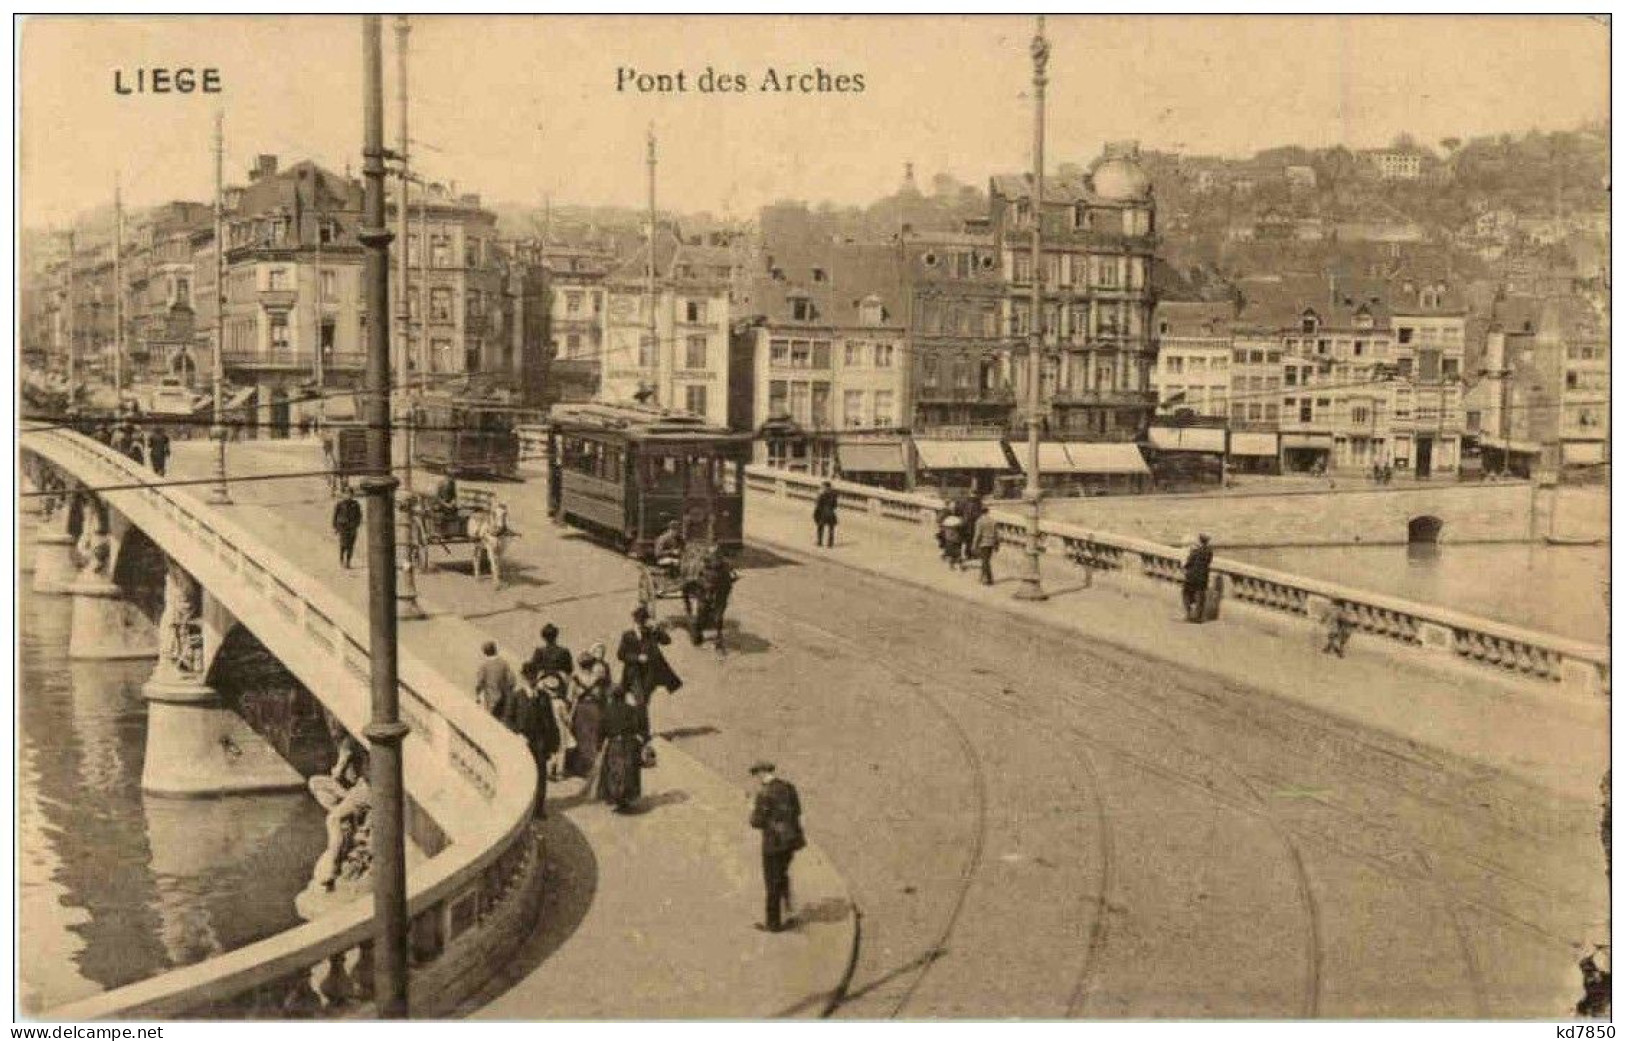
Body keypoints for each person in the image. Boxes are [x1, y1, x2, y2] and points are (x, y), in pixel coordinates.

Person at [617, 605, 683, 760]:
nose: (640, 625)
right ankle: (644, 734)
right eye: (639, 622)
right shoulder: (628, 635)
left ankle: (638, 731)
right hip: (633, 675)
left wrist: (656, 629)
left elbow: (667, 641)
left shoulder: (651, 633)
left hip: (650, 675)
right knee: (640, 702)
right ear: (634, 621)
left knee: (643, 703)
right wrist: (636, 658)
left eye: (643, 621)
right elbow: (621, 655)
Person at [748, 761, 805, 933]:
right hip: (790, 841)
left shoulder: (764, 794)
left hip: (773, 844)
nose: (756, 778)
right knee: (782, 876)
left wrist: (751, 808)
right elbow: (797, 810)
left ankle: (773, 923)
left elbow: (756, 822)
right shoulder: (788, 787)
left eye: (756, 774)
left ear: (761, 773)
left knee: (772, 882)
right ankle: (789, 912)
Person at [506, 672, 562, 818]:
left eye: (534, 678)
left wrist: (554, 743)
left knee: (541, 775)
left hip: (540, 742)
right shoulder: (516, 696)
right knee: (522, 776)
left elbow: (550, 720)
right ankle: (521, 808)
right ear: (524, 679)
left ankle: (538, 808)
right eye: (529, 678)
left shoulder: (543, 697)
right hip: (523, 743)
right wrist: (518, 734)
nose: (532, 681)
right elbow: (508, 720)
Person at [596, 687, 645, 812]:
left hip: (614, 744)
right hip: (629, 743)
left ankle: (616, 798)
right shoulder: (630, 710)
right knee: (630, 771)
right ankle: (627, 799)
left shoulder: (607, 711)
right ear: (623, 697)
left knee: (615, 771)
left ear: (612, 697)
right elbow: (637, 726)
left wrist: (599, 744)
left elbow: (602, 729)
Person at [567, 644, 611, 777]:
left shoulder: (575, 679)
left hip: (581, 709)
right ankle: (593, 768)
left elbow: (569, 697)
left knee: (581, 737)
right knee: (593, 737)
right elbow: (602, 695)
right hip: (594, 708)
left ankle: (582, 768)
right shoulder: (597, 679)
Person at [693, 546, 739, 647]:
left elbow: (732, 576)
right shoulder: (702, 565)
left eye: (716, 557)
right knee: (702, 610)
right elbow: (697, 578)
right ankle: (698, 631)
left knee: (718, 613)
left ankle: (718, 635)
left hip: (720, 590)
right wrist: (704, 587)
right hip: (705, 590)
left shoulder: (725, 567)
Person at [522, 623, 574, 689]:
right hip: (559, 681)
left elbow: (533, 669)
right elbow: (569, 671)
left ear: (544, 638)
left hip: (544, 681)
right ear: (556, 636)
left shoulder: (539, 651)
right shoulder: (564, 651)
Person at [474, 641, 517, 718]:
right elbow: (512, 680)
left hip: (490, 700)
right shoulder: (504, 663)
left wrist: (477, 695)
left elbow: (479, 684)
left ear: (485, 653)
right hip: (503, 699)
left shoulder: (484, 666)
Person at [1182, 533, 1214, 623]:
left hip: (1192, 577)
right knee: (1201, 596)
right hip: (1203, 577)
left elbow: (1188, 563)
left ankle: (1189, 614)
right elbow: (1208, 562)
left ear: (1199, 540)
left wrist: (1184, 567)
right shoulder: (1209, 552)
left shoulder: (1195, 551)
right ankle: (1198, 616)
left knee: (1186, 594)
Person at [332, 484, 362, 569]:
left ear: (352, 495)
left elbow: (359, 515)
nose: (348, 496)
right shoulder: (340, 504)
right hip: (343, 526)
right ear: (343, 495)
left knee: (351, 545)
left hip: (352, 527)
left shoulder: (356, 504)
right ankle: (341, 559)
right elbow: (335, 516)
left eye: (350, 494)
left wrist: (356, 525)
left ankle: (348, 561)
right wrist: (335, 527)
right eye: (346, 494)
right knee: (343, 544)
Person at [971, 508, 1001, 586]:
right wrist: (997, 544)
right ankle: (983, 577)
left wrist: (974, 544)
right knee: (986, 560)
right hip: (991, 543)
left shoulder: (979, 521)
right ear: (988, 512)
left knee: (985, 561)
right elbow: (996, 534)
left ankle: (989, 579)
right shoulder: (993, 521)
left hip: (983, 543)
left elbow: (978, 534)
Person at [813, 481, 839, 547]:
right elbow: (835, 505)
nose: (821, 488)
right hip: (831, 513)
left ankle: (820, 542)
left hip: (823, 513)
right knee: (831, 529)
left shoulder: (822, 494)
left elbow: (818, 504)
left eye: (822, 487)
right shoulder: (834, 495)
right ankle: (830, 544)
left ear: (825, 487)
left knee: (820, 527)